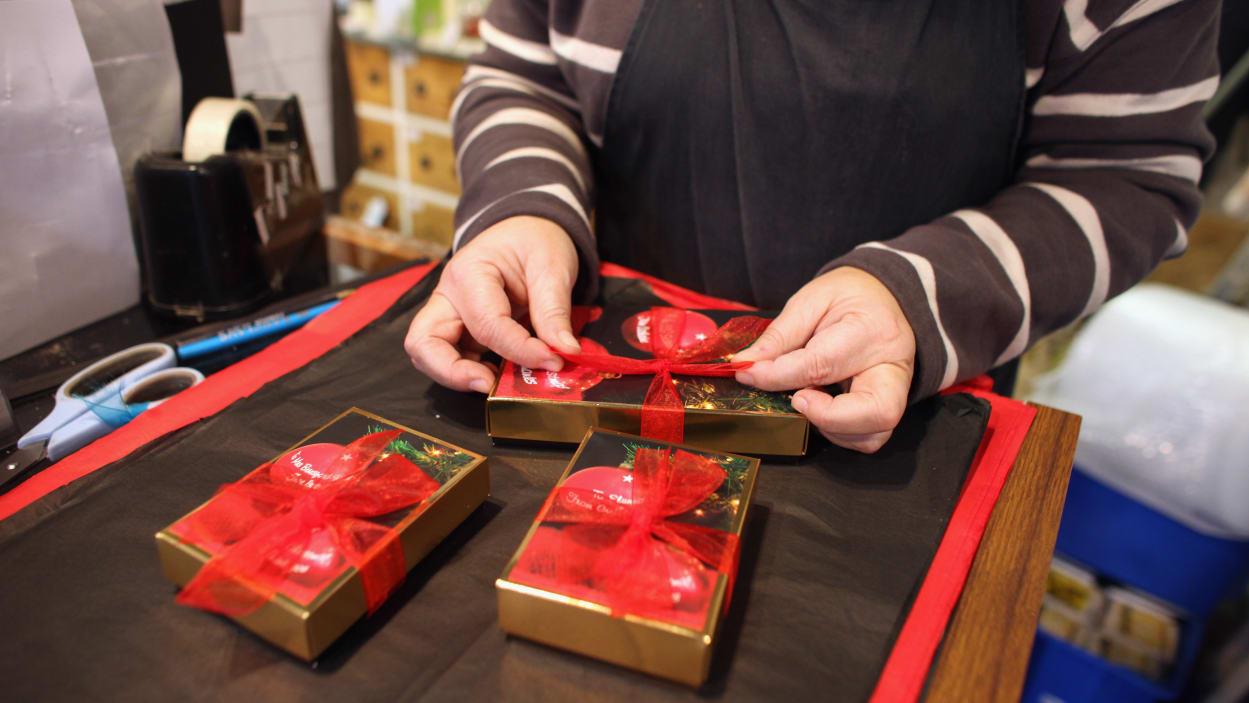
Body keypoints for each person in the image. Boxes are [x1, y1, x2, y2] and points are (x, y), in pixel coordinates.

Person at [405, 0, 1220, 453]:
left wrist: (921, 295)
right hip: (591, 387)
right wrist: (520, 206)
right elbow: (523, 74)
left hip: (898, 426)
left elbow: (1123, 176)